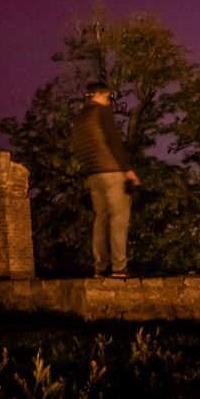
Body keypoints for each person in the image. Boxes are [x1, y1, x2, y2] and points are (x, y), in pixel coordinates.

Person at [70, 81, 140, 277]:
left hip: (93, 174)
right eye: (108, 97)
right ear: (100, 94)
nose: (109, 101)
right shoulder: (101, 112)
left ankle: (99, 267)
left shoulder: (80, 118)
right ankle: (119, 267)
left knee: (101, 219)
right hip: (111, 171)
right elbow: (113, 141)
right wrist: (128, 170)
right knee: (119, 218)